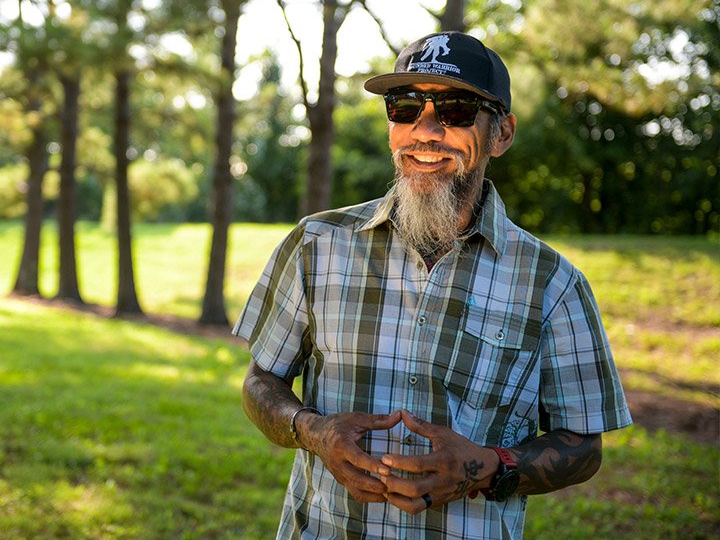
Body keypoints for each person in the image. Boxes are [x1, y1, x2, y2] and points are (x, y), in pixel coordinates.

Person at [234, 31, 632, 540]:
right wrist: (316, 433)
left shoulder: (553, 284)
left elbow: (583, 446)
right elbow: (259, 382)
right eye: (403, 107)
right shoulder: (315, 245)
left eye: (457, 110)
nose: (425, 130)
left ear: (502, 134)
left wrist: (488, 468)